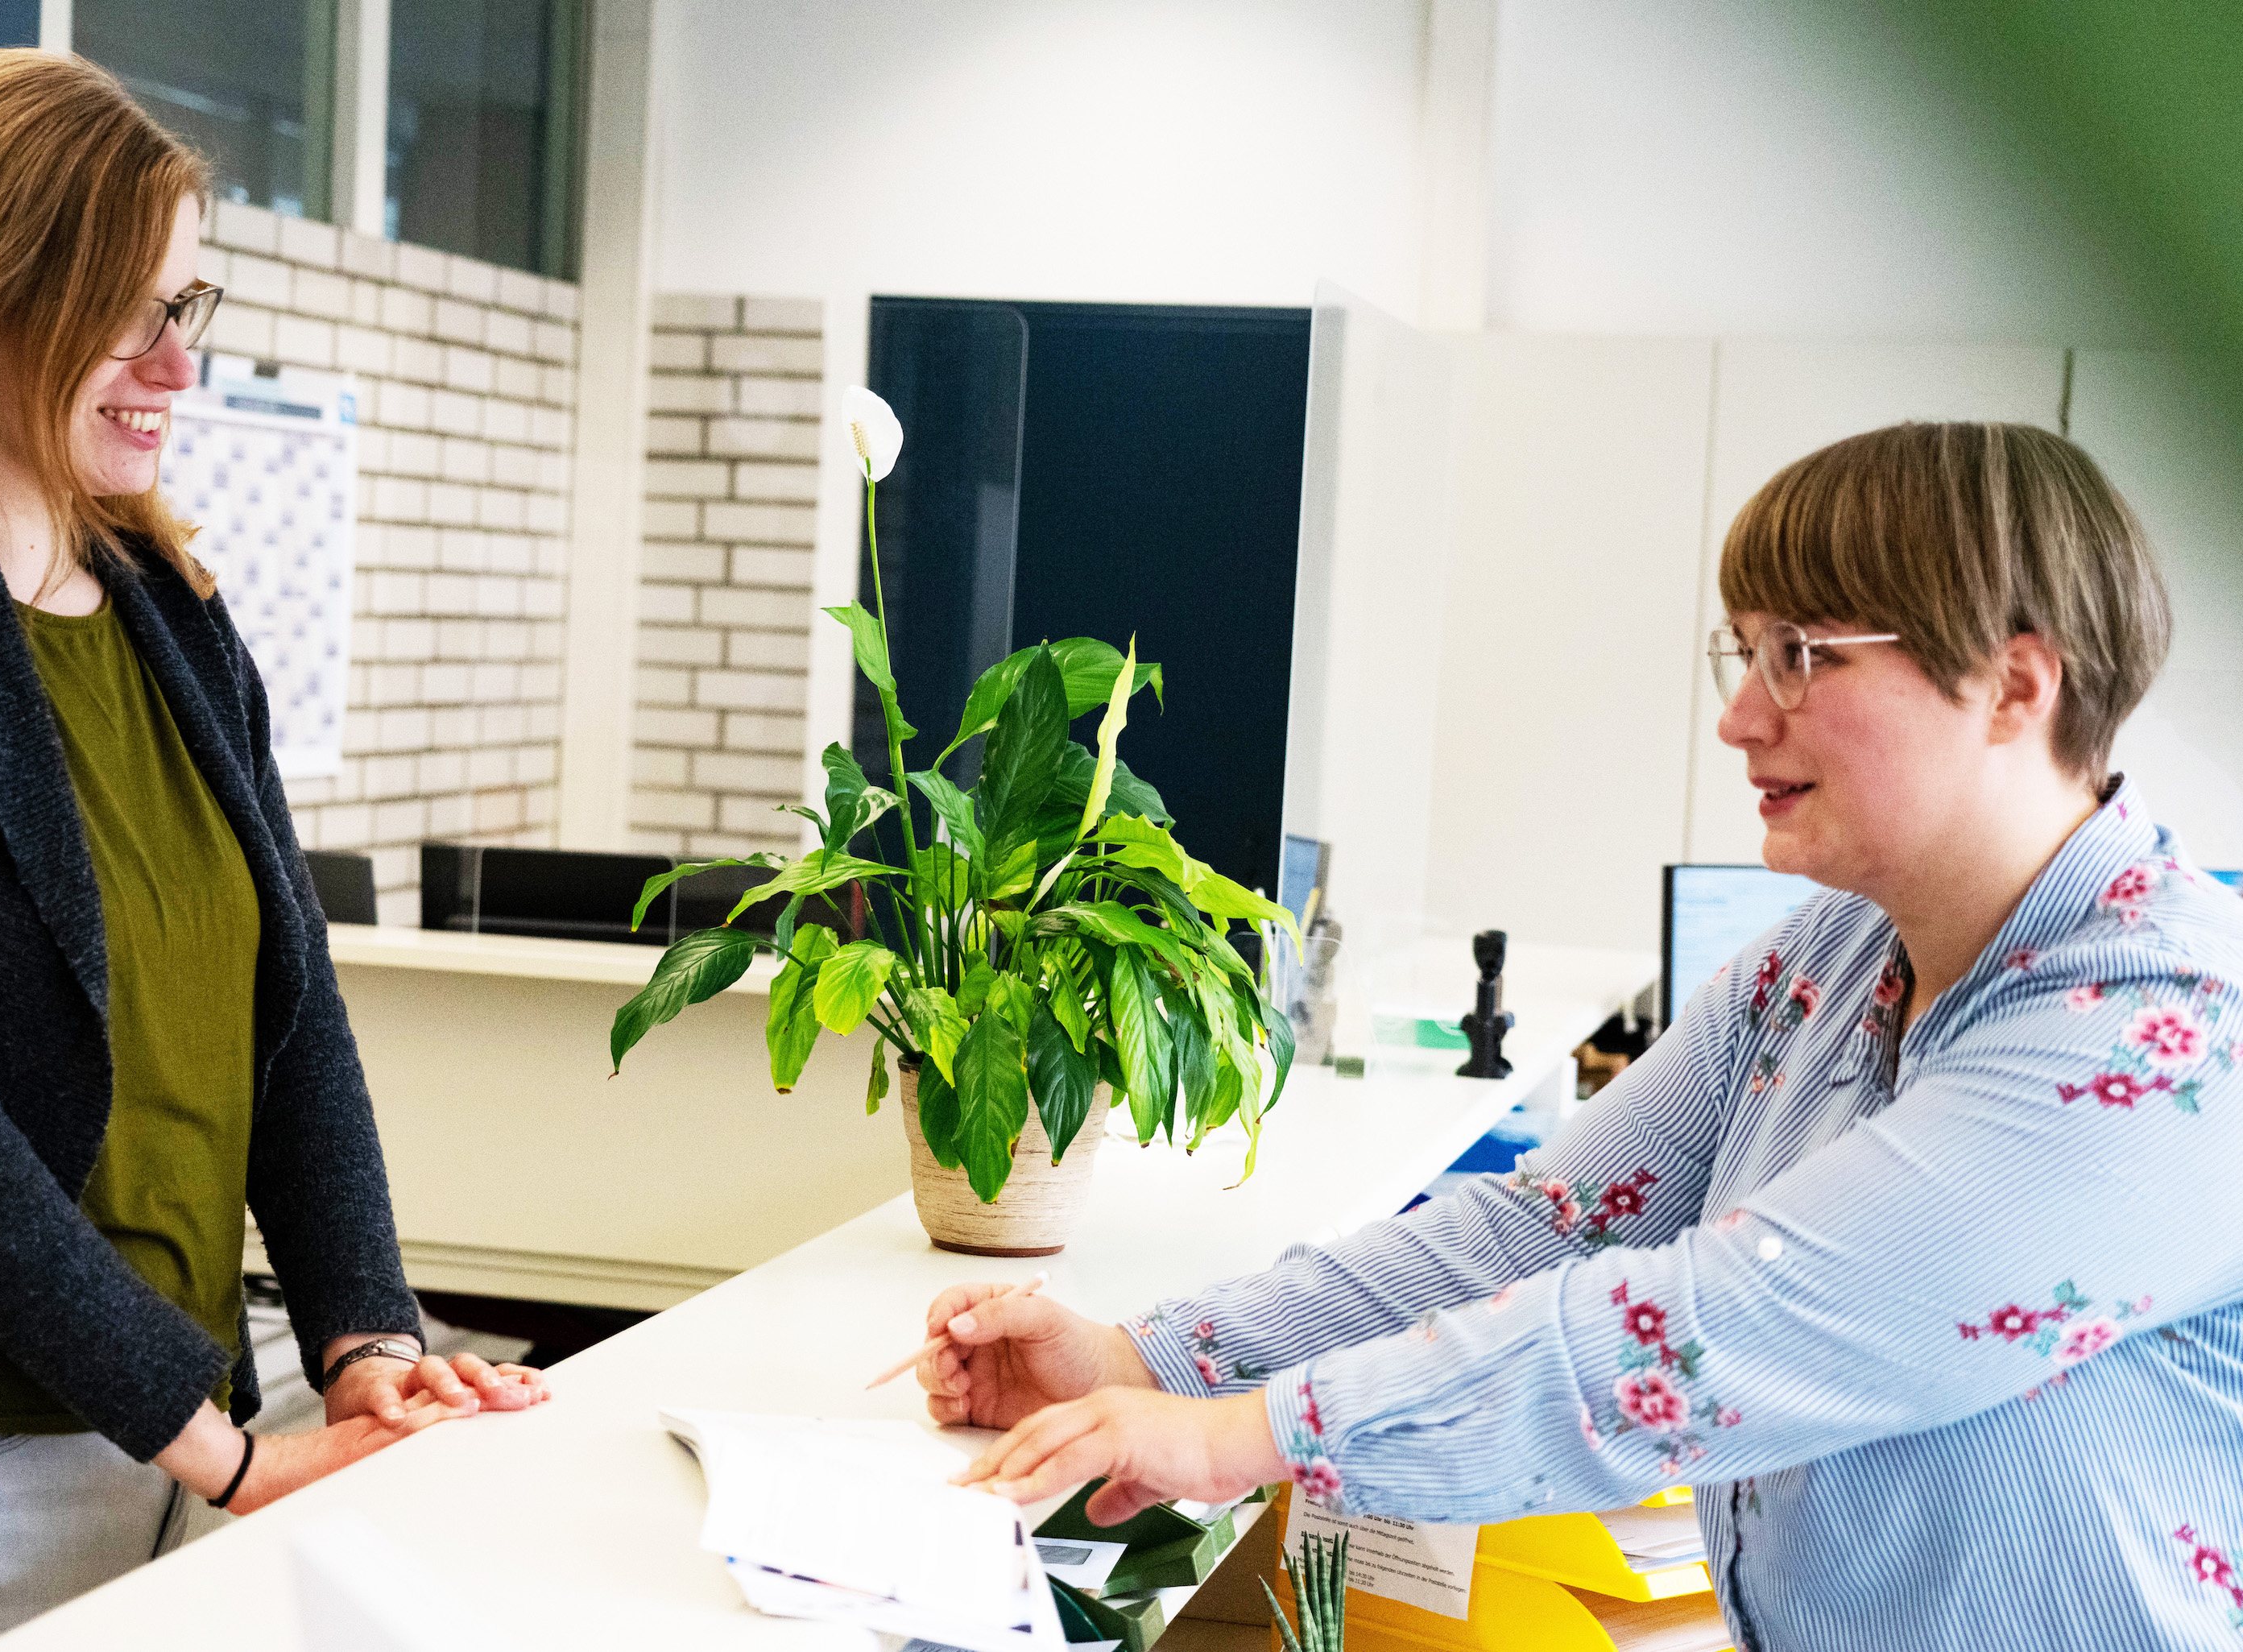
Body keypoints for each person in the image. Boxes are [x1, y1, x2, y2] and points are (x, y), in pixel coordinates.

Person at [920, 421, 2243, 1649]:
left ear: (2012, 684)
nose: (1741, 717)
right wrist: (1144, 1360)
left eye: (1802, 656)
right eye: (1744, 653)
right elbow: (1542, 1232)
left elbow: (1721, 1326)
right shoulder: (1824, 962)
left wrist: (1230, 1441)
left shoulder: (2173, 1030)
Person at [0, 51, 548, 1651]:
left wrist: (367, 1346)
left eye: (183, 306)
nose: (176, 365)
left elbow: (291, 1023)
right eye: (120, 311)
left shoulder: (175, 620)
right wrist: (231, 1454)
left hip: (171, 1448)